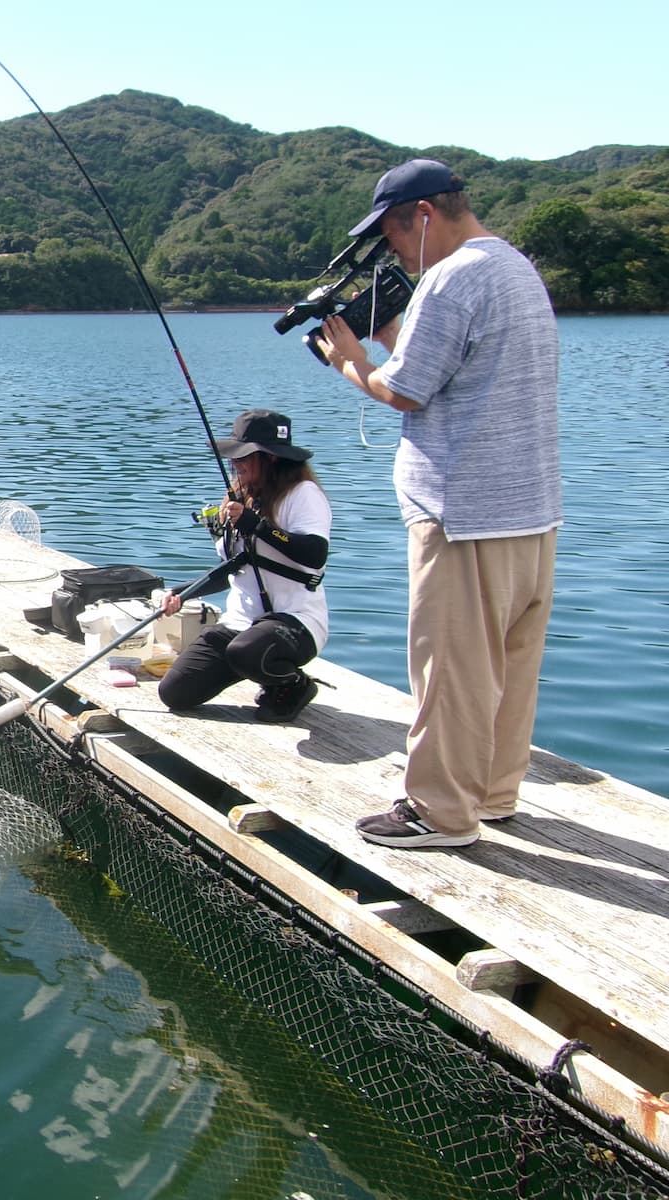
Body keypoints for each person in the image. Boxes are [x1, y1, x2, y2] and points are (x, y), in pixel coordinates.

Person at [316, 158, 561, 850]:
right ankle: (493, 793)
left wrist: (346, 361)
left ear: (423, 216)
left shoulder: (452, 279)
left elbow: (404, 392)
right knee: (509, 668)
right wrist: (388, 338)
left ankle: (440, 811)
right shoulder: (513, 267)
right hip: (530, 510)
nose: (392, 249)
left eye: (393, 234)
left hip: (464, 512)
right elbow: (445, 371)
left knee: (450, 667)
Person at [156, 409, 331, 724]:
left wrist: (260, 527)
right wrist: (183, 593)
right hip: (241, 625)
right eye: (233, 456)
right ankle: (263, 669)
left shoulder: (303, 495)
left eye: (244, 456)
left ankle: (294, 684)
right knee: (175, 693)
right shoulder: (237, 498)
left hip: (296, 623)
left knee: (245, 651)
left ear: (272, 458)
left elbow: (315, 554)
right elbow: (233, 569)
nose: (235, 464)